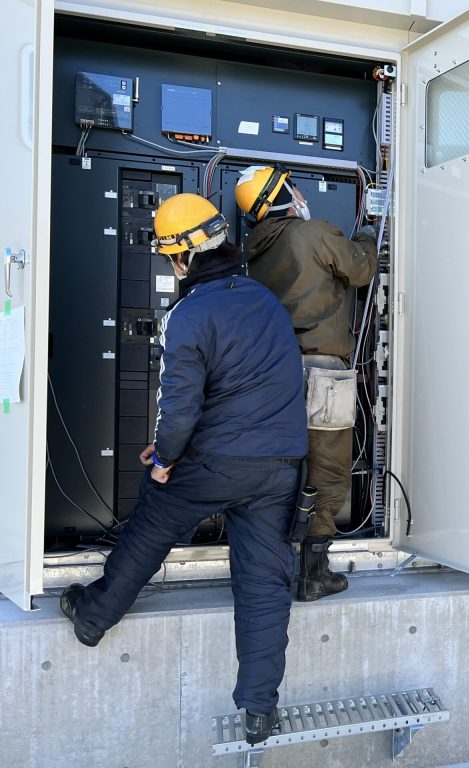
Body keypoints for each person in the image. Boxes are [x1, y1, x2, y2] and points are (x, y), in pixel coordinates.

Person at [60, 193, 308, 745]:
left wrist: (165, 458)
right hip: (279, 465)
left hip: (214, 462)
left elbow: (179, 406)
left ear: (183, 256)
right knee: (264, 582)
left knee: (152, 524)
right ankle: (259, 710)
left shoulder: (189, 314)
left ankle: (93, 616)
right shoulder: (266, 301)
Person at [235, 165, 377, 601]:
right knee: (327, 467)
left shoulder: (253, 253)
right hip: (323, 371)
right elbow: (361, 270)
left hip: (274, 376)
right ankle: (313, 573)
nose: (300, 194)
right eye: (293, 187)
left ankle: (273, 564)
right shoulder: (313, 233)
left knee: (282, 468)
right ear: (283, 196)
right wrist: (368, 237)